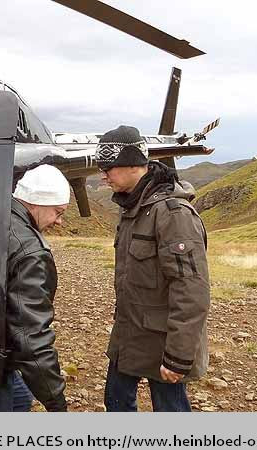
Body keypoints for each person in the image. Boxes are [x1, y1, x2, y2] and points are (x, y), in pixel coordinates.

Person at [95, 125, 210, 412]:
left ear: (134, 164)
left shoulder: (173, 214)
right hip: (129, 335)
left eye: (108, 167)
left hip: (163, 342)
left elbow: (191, 289)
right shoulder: (132, 207)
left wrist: (178, 356)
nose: (103, 175)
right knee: (116, 401)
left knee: (170, 410)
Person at [0, 164, 69, 411]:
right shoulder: (30, 250)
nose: (59, 221)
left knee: (20, 398)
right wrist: (56, 403)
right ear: (38, 202)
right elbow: (31, 336)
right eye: (58, 212)